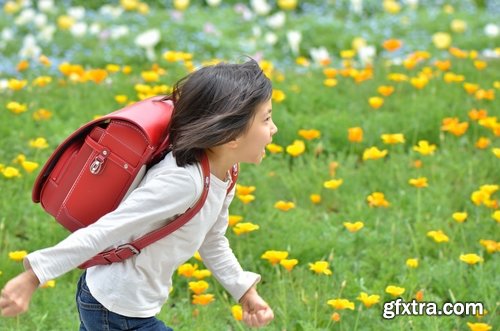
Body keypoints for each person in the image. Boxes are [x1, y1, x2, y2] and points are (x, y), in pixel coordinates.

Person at [0, 58, 277, 330]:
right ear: (231, 137)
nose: (273, 129)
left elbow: (212, 239)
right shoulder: (182, 182)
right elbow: (108, 229)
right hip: (114, 309)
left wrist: (244, 291)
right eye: (266, 119)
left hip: (125, 303)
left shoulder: (226, 172)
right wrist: (34, 276)